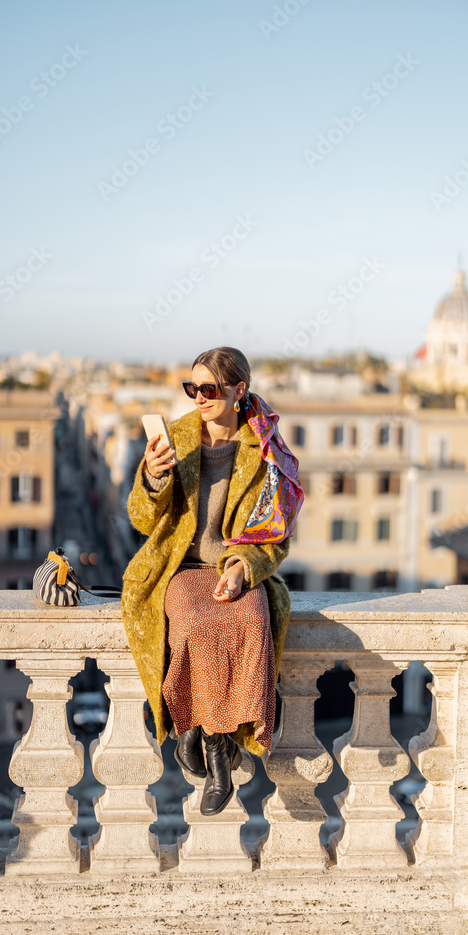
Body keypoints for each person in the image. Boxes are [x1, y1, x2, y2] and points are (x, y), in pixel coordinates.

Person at [121, 346, 303, 816]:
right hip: (180, 569)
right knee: (197, 627)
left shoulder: (265, 451)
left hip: (233, 568)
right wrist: (153, 478)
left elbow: (276, 536)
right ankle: (204, 741)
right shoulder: (177, 439)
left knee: (255, 619)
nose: (199, 398)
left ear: (238, 390)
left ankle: (204, 738)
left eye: (209, 389)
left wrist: (244, 568)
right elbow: (141, 519)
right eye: (192, 388)